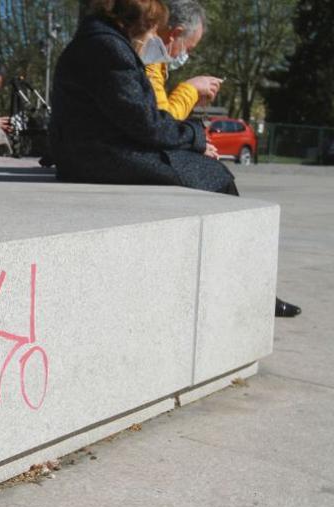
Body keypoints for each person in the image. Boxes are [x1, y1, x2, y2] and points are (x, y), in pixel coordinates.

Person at [52, 0, 300, 317]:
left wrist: (187, 139)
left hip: (93, 151)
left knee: (206, 170)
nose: (158, 38)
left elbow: (140, 119)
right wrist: (195, 137)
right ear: (143, 23)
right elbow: (148, 123)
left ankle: (244, 284)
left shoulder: (100, 41)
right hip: (97, 157)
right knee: (216, 176)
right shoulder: (108, 47)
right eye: (156, 29)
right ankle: (248, 288)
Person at [142, 0, 221, 123]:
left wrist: (192, 99)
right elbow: (163, 125)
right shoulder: (149, 61)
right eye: (188, 49)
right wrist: (191, 89)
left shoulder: (152, 59)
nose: (186, 56)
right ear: (175, 33)